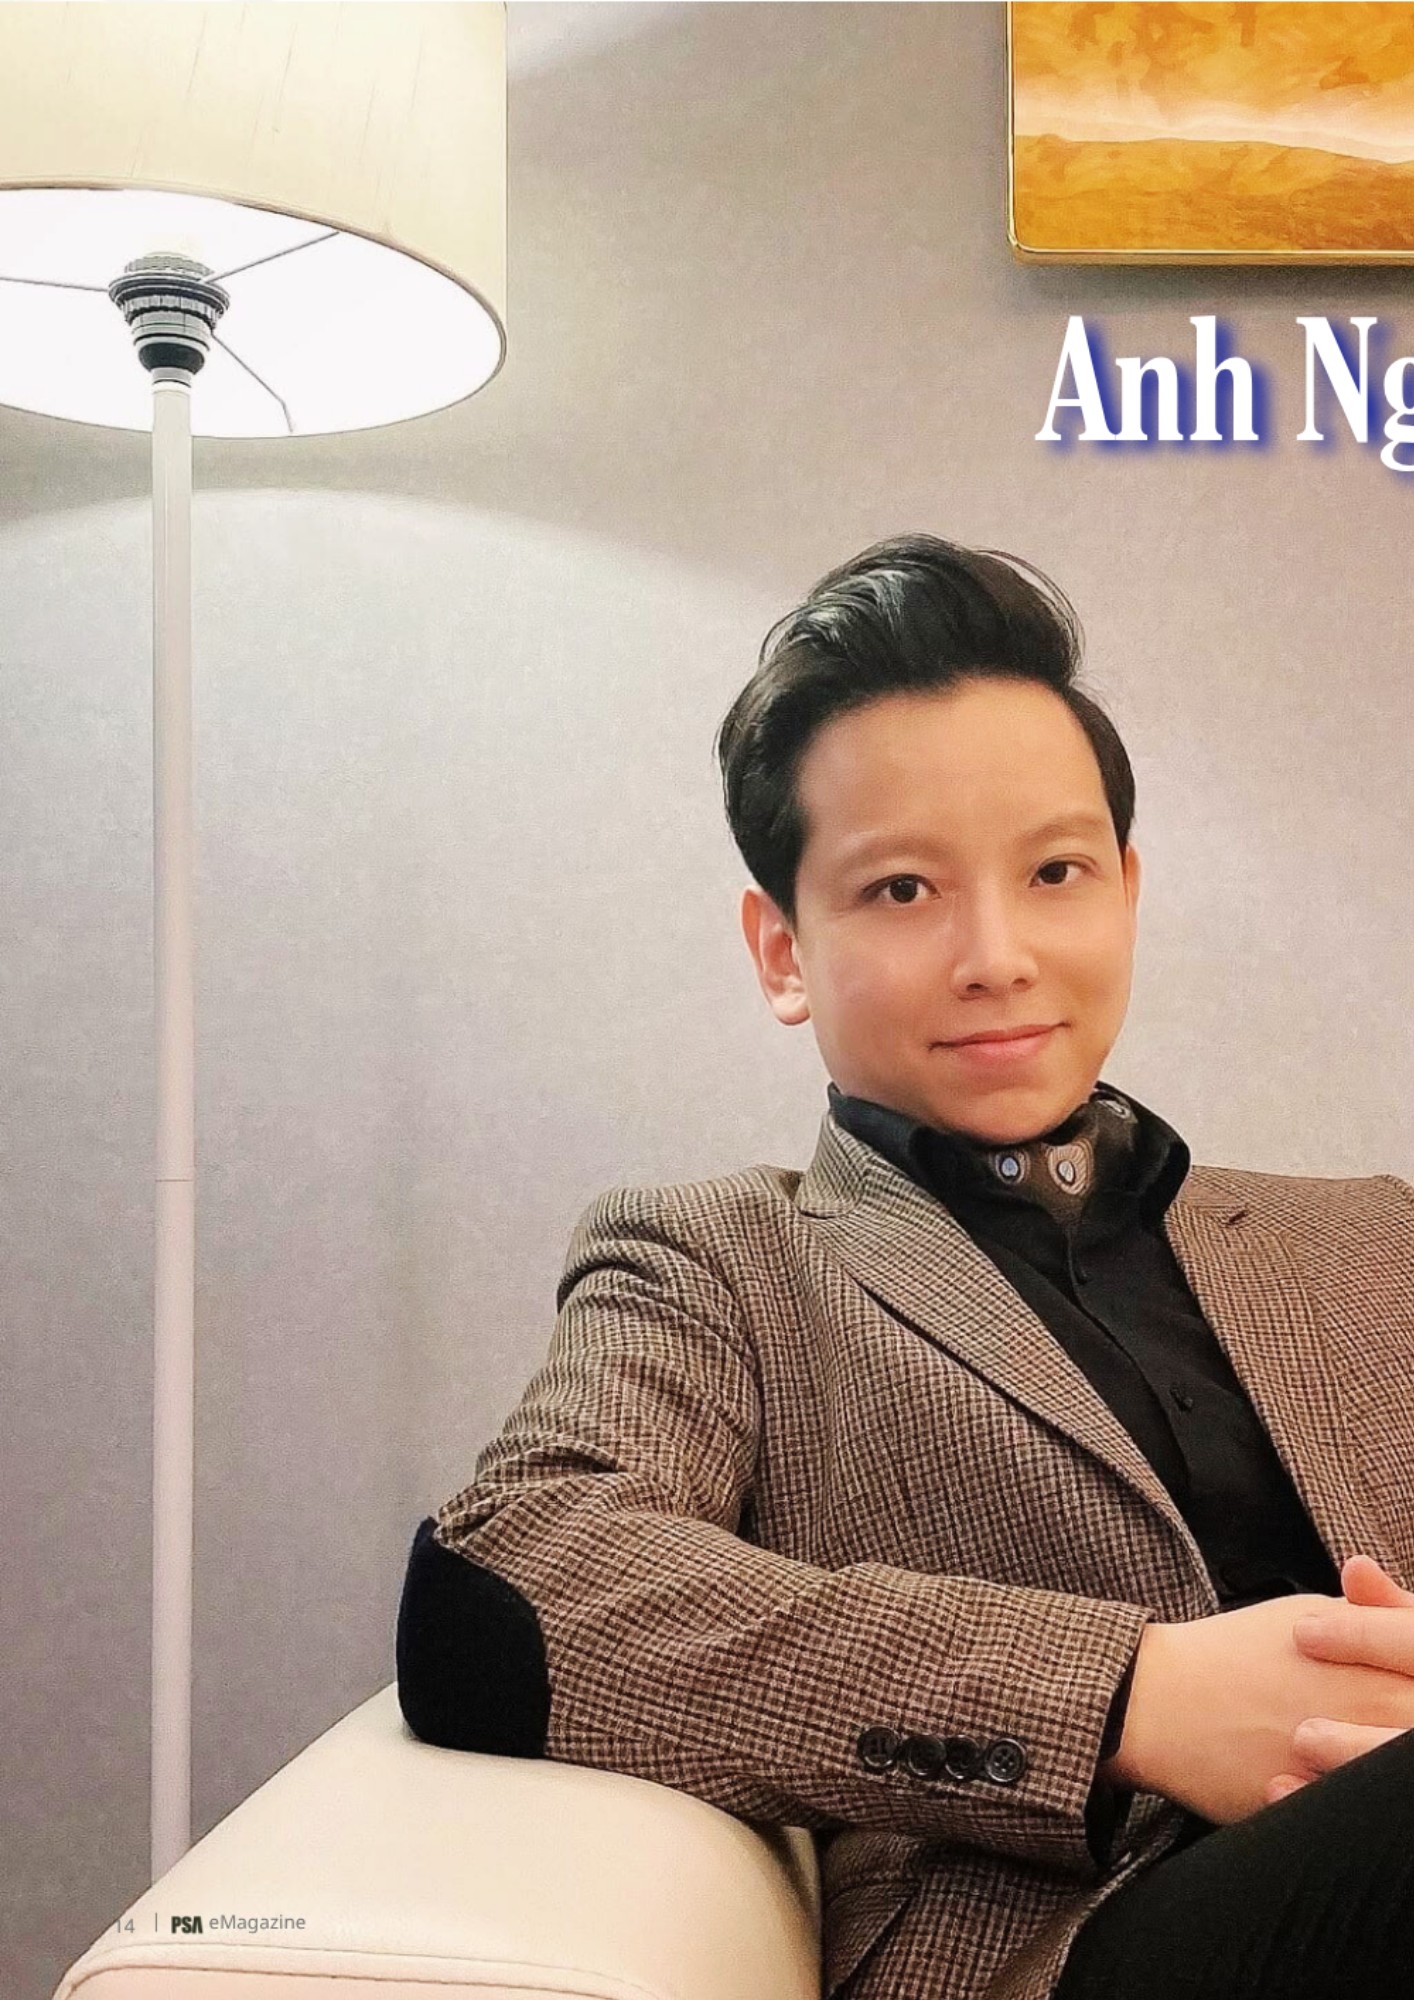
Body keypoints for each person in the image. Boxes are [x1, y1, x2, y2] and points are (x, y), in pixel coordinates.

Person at [395, 535, 1414, 2000]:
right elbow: (514, 1581)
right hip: (1074, 1947)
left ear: (1123, 894)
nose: (996, 954)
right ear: (781, 949)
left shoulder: (1369, 1238)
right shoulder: (717, 1263)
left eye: (1053, 871)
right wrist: (1128, 1697)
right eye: (899, 891)